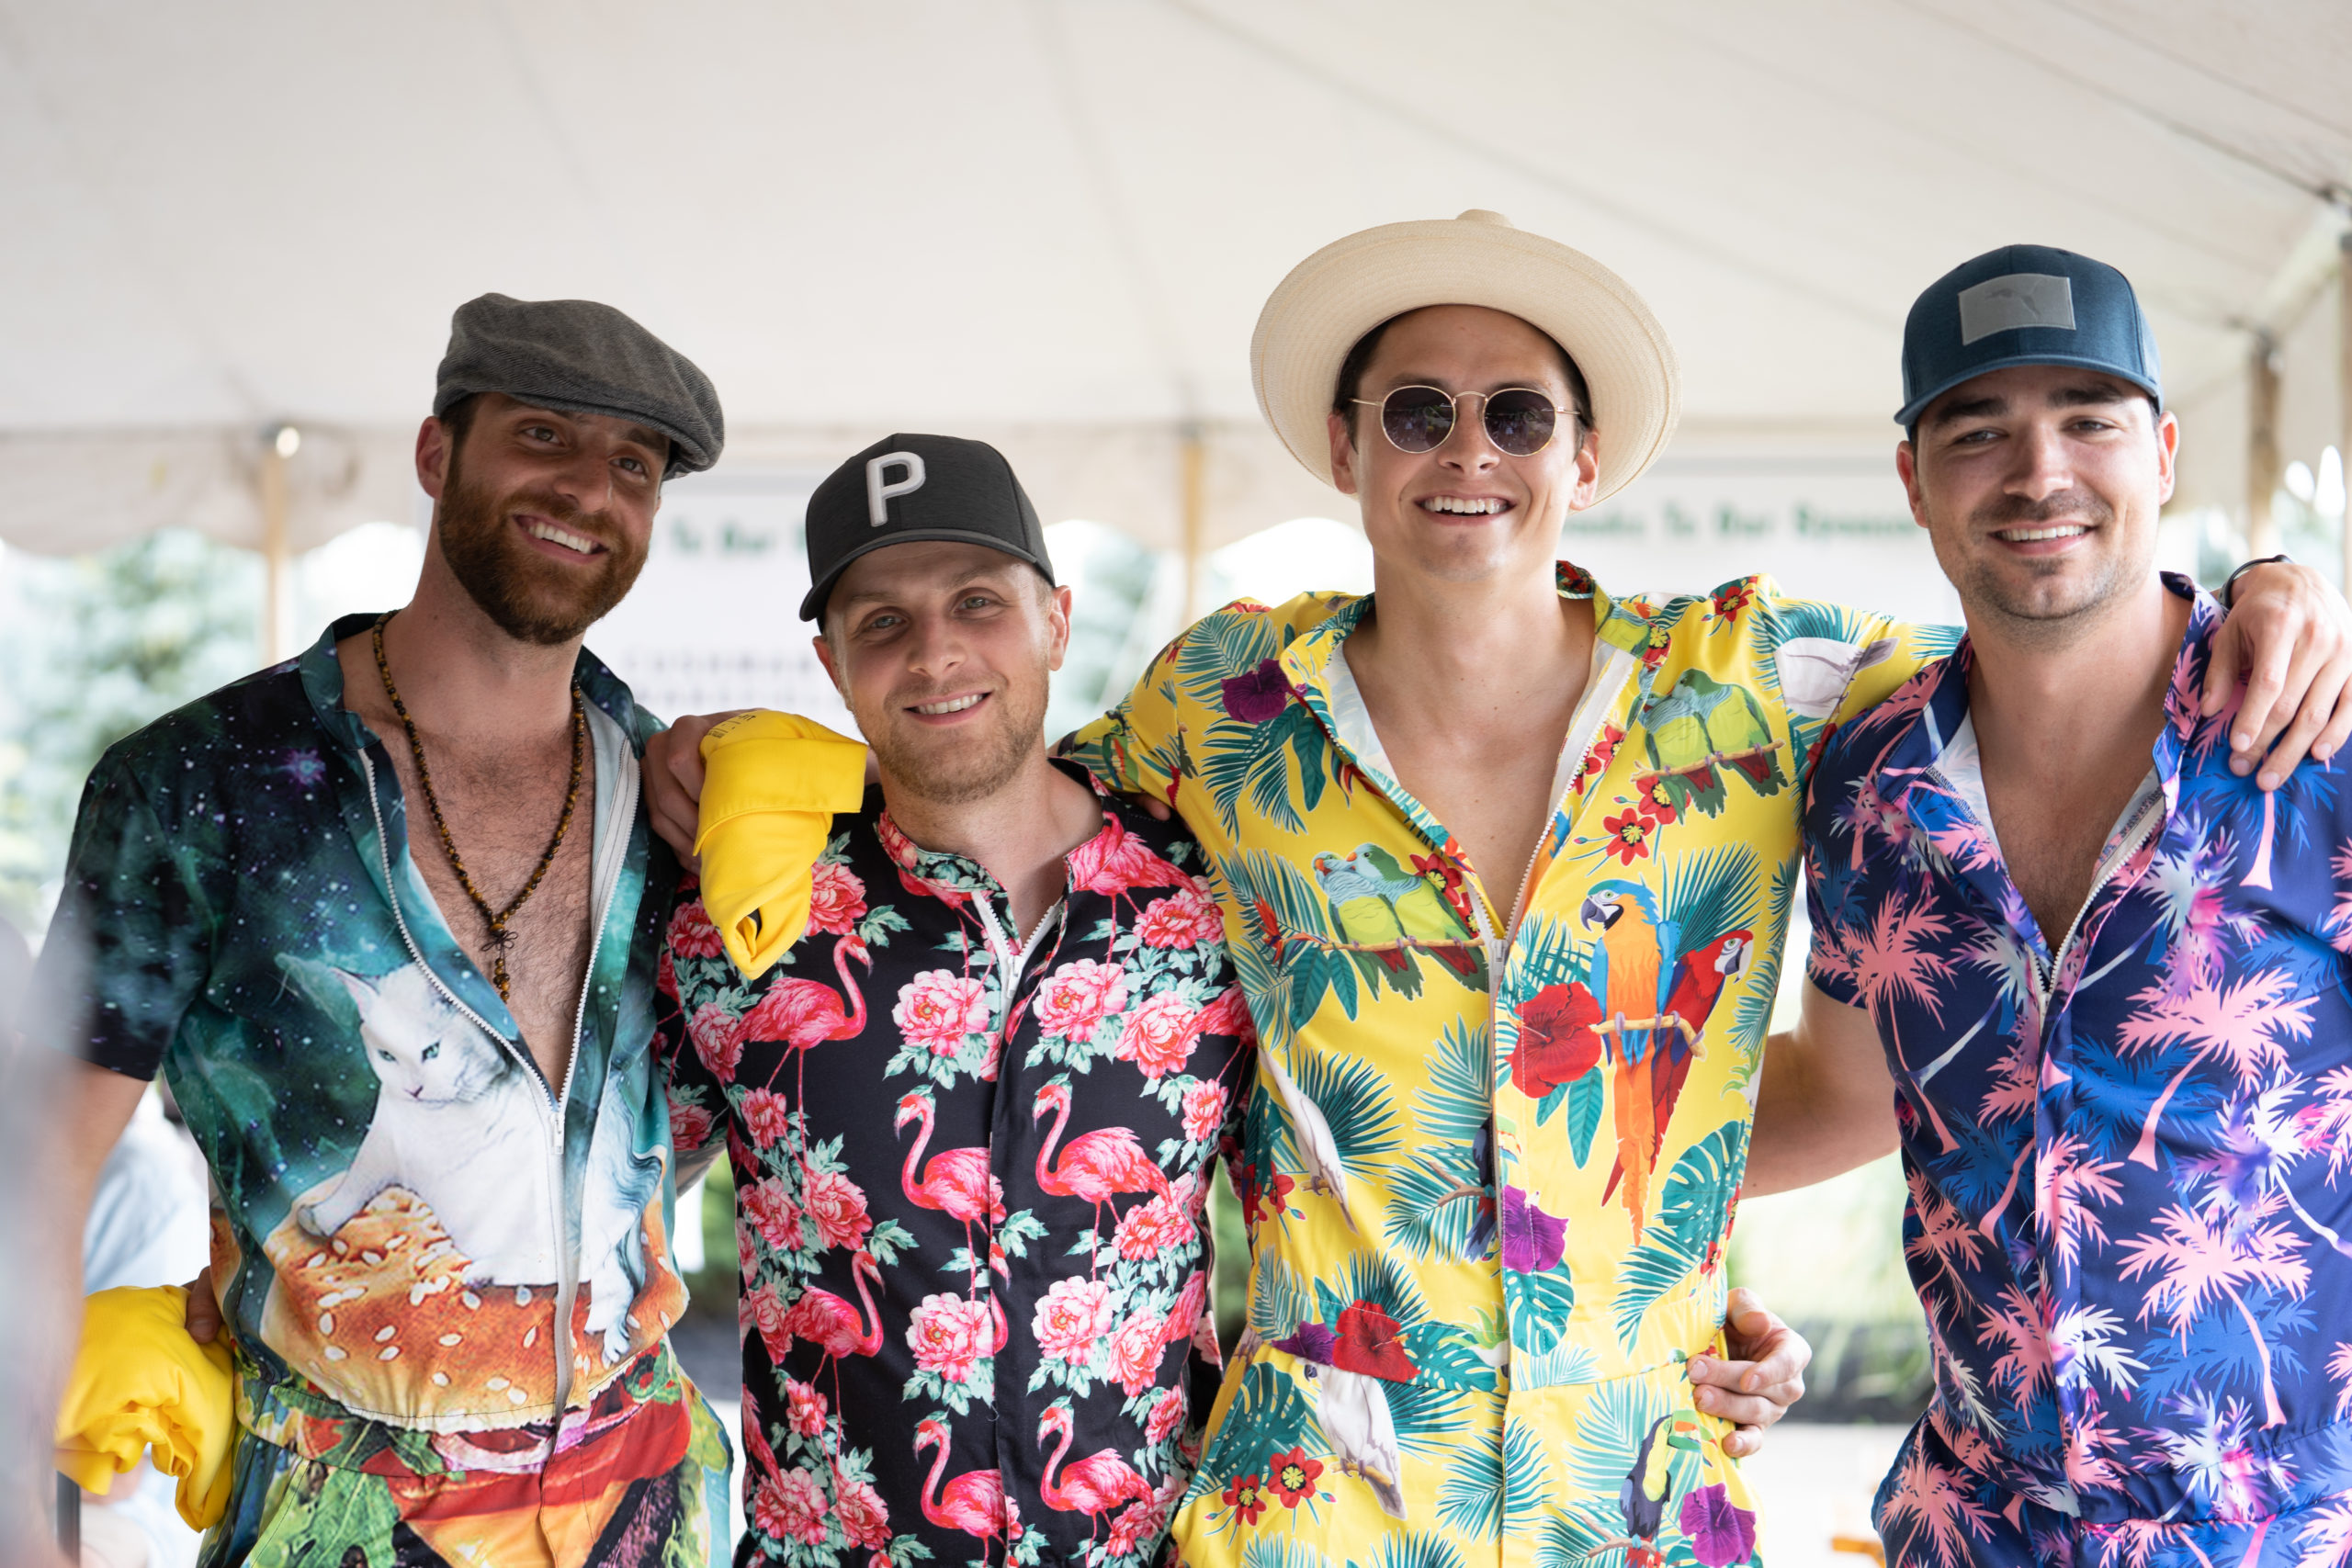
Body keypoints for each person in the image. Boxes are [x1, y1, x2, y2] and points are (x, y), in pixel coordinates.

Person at [646, 213, 2352, 1564]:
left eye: (1518, 413)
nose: (1469, 449)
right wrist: (756, 758)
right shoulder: (1221, 708)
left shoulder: (1763, 685)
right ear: (1345, 447)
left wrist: (2274, 589)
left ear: (1584, 458)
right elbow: (986, 768)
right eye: (1419, 411)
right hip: (1318, 1506)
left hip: (1638, 1498)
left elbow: (2060, 624)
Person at [34, 293, 734, 1566]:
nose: (589, 488)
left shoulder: (680, 802)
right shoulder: (199, 784)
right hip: (335, 1517)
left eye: (634, 465)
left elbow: (653, 1143)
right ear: (434, 453)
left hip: (641, 1505)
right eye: (542, 435)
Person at [1750, 245, 2352, 1568]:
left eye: (2089, 421)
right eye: (1979, 431)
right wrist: (1505, 1182)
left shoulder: (2319, 749)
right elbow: (1845, 1095)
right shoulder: (1868, 782)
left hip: (2282, 1535)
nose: (2039, 473)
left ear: (2165, 453)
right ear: (1912, 479)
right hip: (1970, 1531)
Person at [656, 434, 1254, 1565]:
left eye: (977, 602)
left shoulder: (1210, 909)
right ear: (832, 666)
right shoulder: (736, 918)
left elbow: (1322, 1214)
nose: (934, 652)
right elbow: (601, 1199)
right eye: (882, 621)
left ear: (1057, 623)